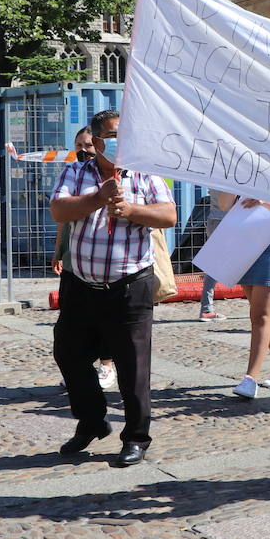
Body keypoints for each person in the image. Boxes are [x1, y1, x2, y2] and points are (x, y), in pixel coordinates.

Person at [50, 109, 176, 468]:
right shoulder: (76, 172)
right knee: (69, 354)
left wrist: (132, 210)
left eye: (126, 135)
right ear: (97, 139)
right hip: (81, 285)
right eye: (113, 135)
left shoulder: (144, 173)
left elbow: (169, 215)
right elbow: (59, 210)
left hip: (129, 285)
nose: (121, 142)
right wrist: (97, 198)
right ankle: (92, 421)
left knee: (133, 367)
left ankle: (135, 438)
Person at [53, 127, 117, 389]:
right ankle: (79, 367)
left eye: (88, 145)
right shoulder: (71, 174)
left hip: (106, 259)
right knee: (73, 317)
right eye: (78, 145)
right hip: (74, 257)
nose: (83, 150)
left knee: (106, 316)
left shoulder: (111, 177)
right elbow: (61, 218)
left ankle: (107, 365)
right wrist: (58, 252)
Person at [226, 193, 270, 400]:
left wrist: (264, 202)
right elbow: (224, 205)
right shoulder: (241, 173)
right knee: (264, 313)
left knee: (259, 316)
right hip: (246, 245)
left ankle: (250, 378)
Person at [197, 196, 228, 321]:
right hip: (225, 220)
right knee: (216, 266)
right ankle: (206, 309)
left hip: (216, 219)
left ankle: (262, 301)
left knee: (217, 264)